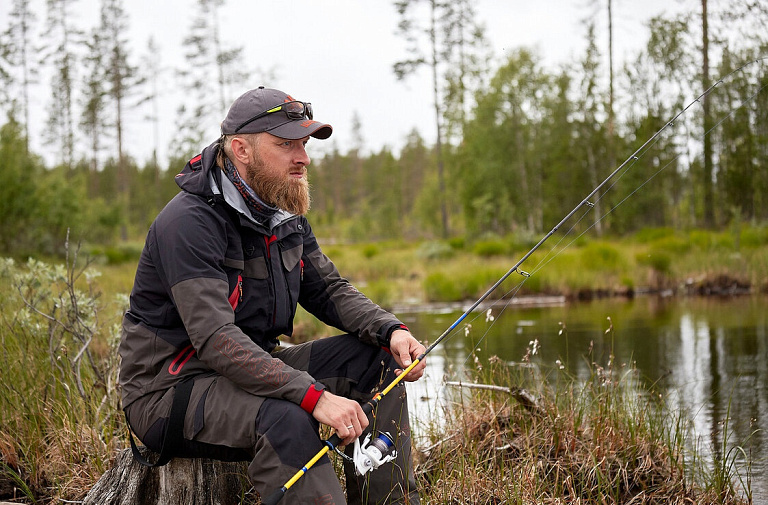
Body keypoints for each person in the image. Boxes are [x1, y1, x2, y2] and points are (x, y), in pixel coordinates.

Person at [118, 86, 426, 504]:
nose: (303, 157)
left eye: (303, 143)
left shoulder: (283, 213)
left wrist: (391, 330)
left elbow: (330, 291)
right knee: (285, 416)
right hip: (170, 390)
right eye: (286, 145)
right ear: (241, 149)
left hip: (250, 369)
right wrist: (312, 396)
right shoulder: (189, 223)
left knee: (380, 360)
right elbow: (215, 340)